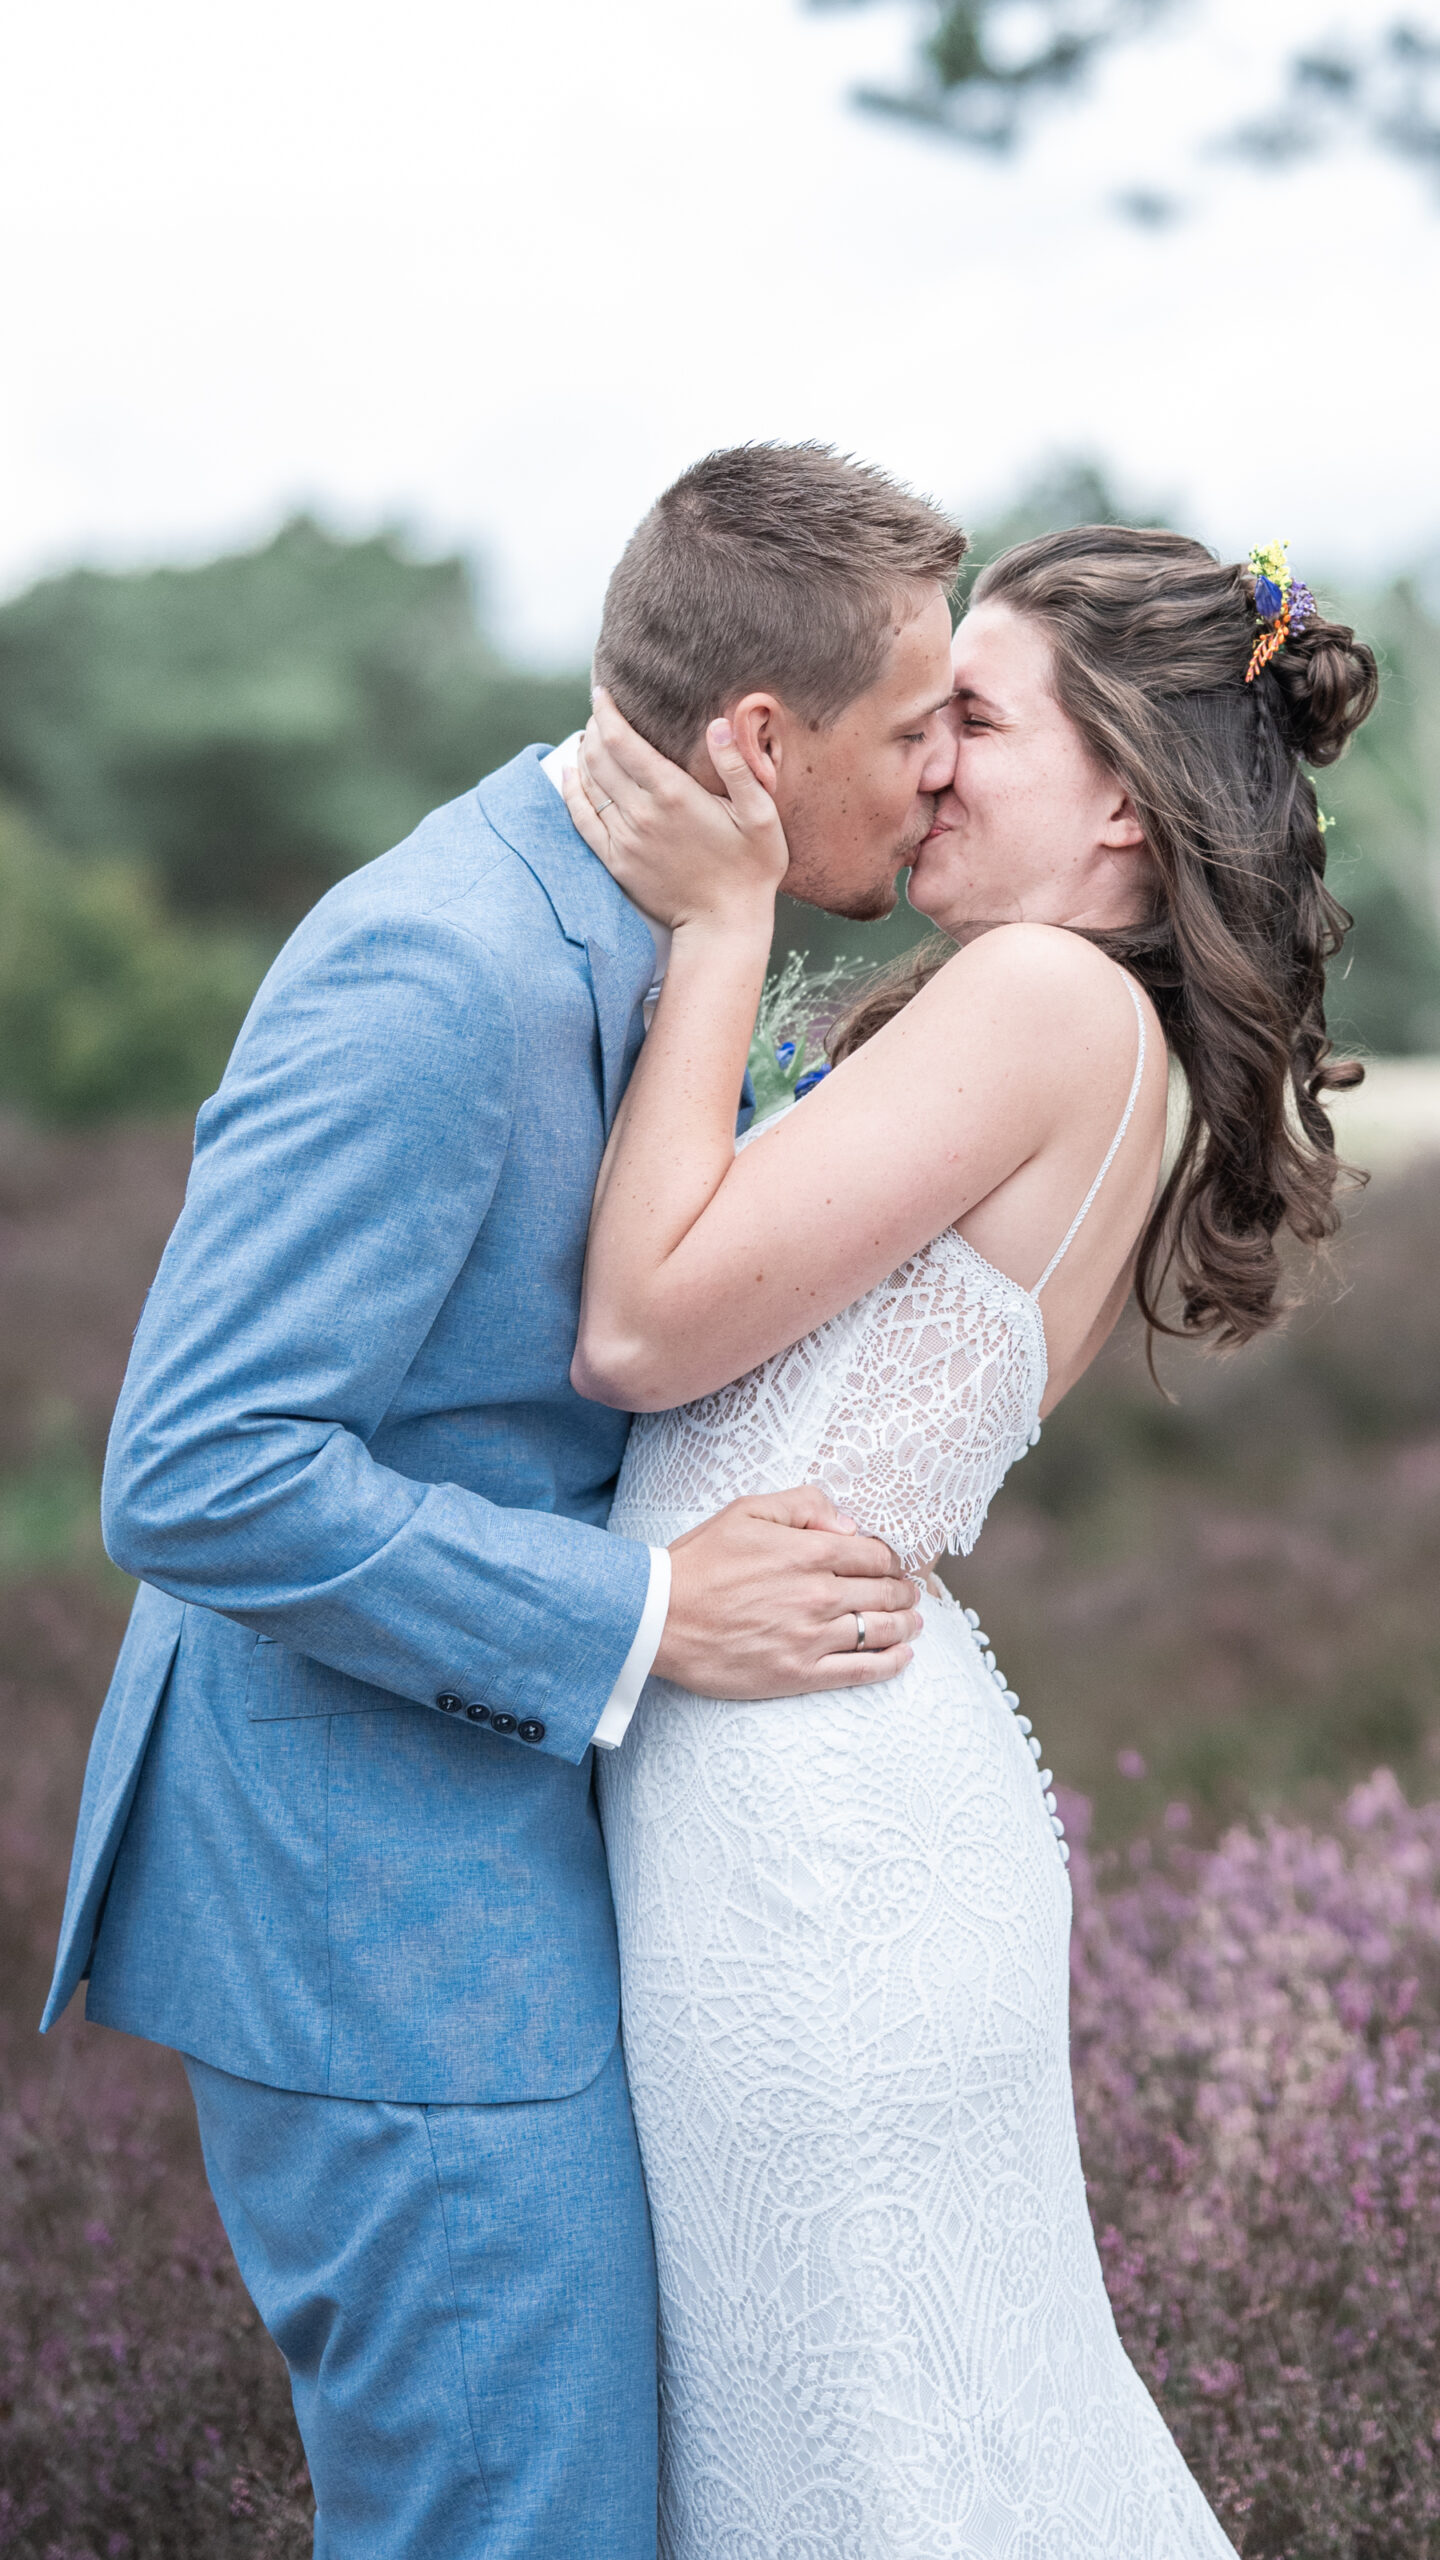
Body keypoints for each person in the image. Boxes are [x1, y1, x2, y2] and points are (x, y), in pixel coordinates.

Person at [41, 444, 967, 2560]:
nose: (943, 771)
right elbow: (197, 1466)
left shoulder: (653, 928)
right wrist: (644, 1616)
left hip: (508, 1877)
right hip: (385, 1927)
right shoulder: (441, 969)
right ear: (759, 744)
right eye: (918, 725)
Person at [562, 524, 1379, 2558]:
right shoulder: (1081, 1022)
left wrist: (725, 920)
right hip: (807, 1777)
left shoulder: (1037, 997)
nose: (923, 760)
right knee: (893, 2429)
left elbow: (642, 1329)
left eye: (975, 722)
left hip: (811, 1836)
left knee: (869, 2450)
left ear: (1123, 800)